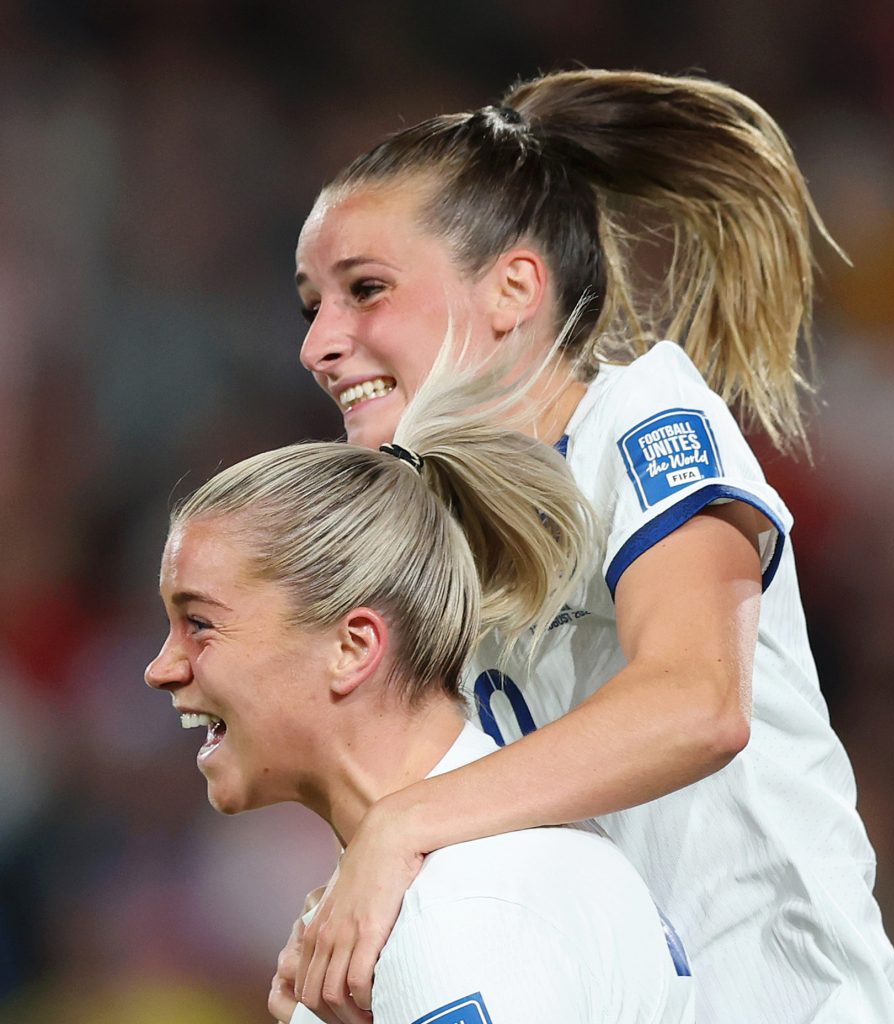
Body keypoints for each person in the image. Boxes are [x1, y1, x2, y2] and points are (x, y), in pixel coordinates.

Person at [286, 68, 894, 1024]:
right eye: (312, 308)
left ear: (512, 288)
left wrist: (398, 831)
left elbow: (697, 703)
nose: (318, 344)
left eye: (364, 289)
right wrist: (361, 911)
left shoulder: (642, 414)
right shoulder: (432, 545)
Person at [144, 356, 695, 1024]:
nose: (160, 669)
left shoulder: (460, 914)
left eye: (200, 624)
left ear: (353, 648)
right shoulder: (471, 880)